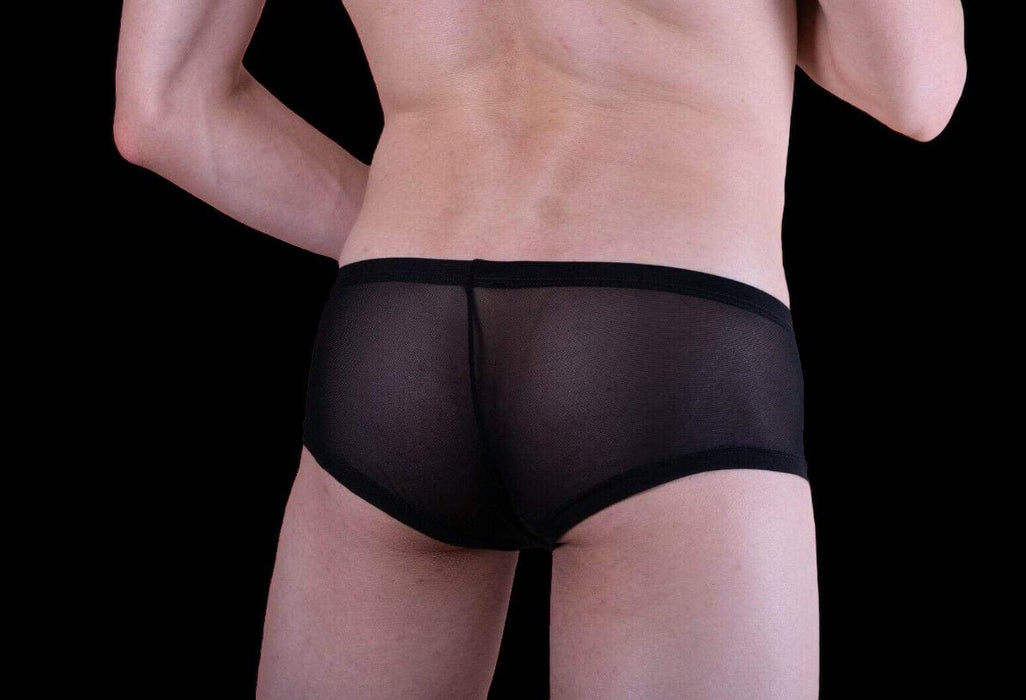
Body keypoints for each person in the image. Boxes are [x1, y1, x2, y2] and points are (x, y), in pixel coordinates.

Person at [114, 1, 966, 697]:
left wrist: (401, 240)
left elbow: (162, 109)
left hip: (397, 331)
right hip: (668, 332)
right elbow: (913, 88)